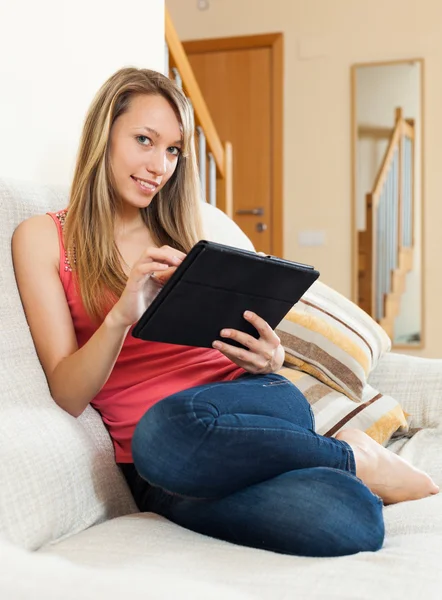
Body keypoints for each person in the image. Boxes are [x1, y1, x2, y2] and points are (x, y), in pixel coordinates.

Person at [12, 67, 438, 558]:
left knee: (177, 427)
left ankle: (352, 456)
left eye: (172, 150)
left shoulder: (185, 238)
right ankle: (353, 462)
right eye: (145, 141)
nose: (159, 166)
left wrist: (268, 358)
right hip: (166, 459)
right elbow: (67, 393)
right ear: (102, 137)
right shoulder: (43, 239)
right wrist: (118, 316)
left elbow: (233, 347)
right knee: (350, 520)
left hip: (256, 399)